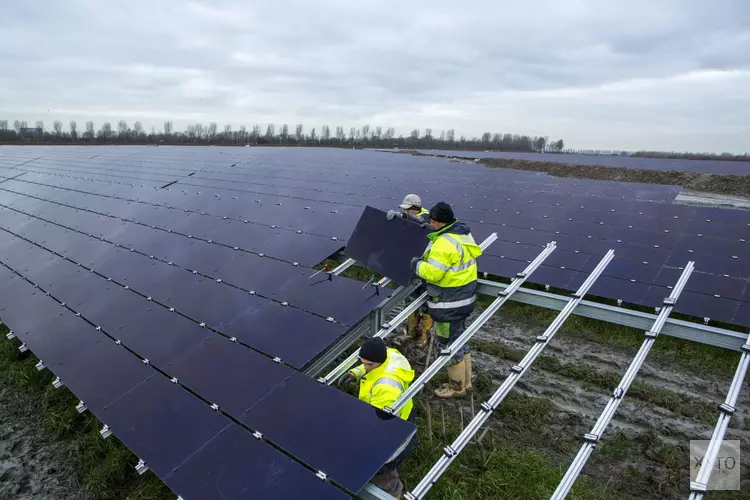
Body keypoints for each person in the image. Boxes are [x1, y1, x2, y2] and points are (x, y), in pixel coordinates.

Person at [410, 201, 482, 398]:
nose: (431, 225)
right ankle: (466, 383)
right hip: (465, 297)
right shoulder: (462, 233)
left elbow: (433, 274)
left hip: (448, 303)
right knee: (460, 339)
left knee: (448, 343)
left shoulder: (443, 243)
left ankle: (456, 387)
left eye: (433, 222)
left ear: (442, 222)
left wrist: (416, 265)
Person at [340, 337, 417, 499]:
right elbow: (370, 363)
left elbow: (375, 427)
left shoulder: (386, 388)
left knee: (383, 470)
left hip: (392, 435)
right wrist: (356, 372)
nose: (365, 367)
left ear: (379, 362)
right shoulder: (389, 355)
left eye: (369, 365)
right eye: (363, 363)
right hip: (405, 417)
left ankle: (393, 494)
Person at [387, 194, 432, 348]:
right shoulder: (413, 216)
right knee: (410, 300)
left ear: (414, 209)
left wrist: (402, 216)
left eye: (408, 210)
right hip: (413, 266)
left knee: (425, 302)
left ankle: (423, 334)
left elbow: (420, 222)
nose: (406, 212)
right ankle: (410, 332)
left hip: (426, 268)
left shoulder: (426, 217)